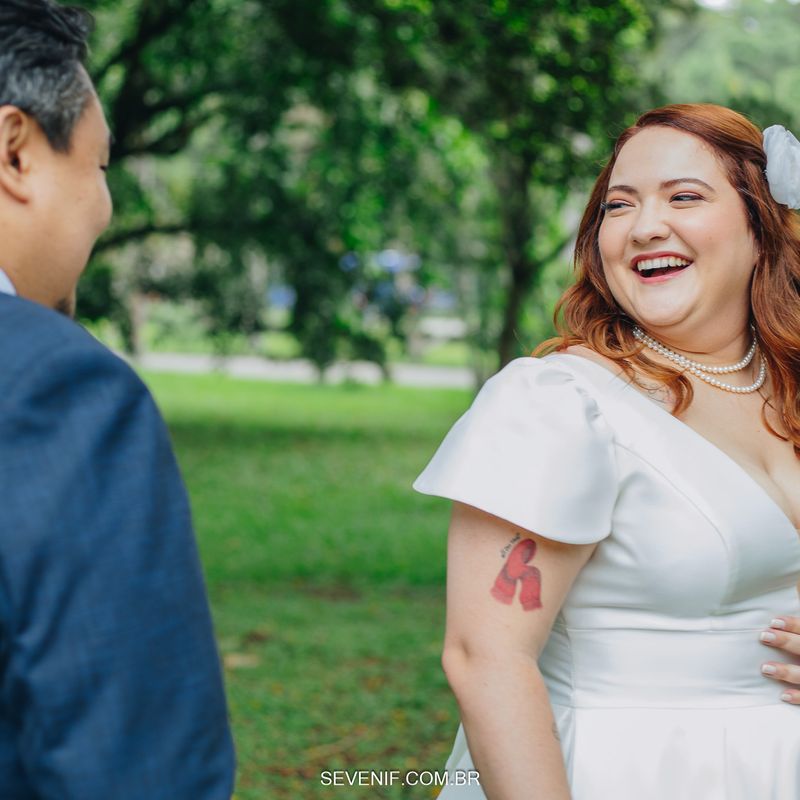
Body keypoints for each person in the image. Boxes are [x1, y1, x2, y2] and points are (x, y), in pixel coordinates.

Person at [414, 103, 800, 799]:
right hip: (630, 770)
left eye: (685, 196)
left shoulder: (790, 388)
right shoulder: (559, 406)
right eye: (618, 207)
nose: (645, 225)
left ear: (761, 227)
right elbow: (486, 657)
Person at [0, 2, 235, 797]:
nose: (105, 207)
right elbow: (136, 768)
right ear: (15, 152)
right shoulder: (52, 388)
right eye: (99, 168)